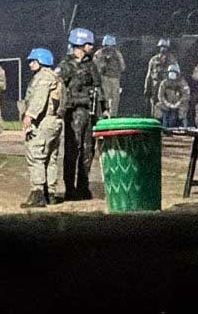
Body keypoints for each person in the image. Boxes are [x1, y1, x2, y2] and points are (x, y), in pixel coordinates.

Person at [56, 27, 103, 201]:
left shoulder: (91, 65)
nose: (92, 46)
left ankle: (83, 187)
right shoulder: (66, 65)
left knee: (88, 151)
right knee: (72, 151)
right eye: (89, 43)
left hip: (89, 113)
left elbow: (99, 88)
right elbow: (59, 88)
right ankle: (70, 189)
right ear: (81, 44)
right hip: (73, 112)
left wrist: (103, 108)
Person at [20, 48, 61, 208]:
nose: (30, 64)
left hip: (44, 121)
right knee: (51, 159)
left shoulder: (43, 77)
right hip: (56, 121)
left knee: (36, 155)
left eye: (33, 61)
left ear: (41, 61)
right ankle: (50, 193)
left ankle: (37, 194)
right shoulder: (55, 77)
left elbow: (39, 98)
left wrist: (30, 115)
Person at [144, 38, 178, 121]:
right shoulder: (153, 60)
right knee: (154, 104)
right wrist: (146, 87)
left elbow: (177, 73)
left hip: (167, 86)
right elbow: (149, 74)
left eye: (165, 47)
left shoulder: (172, 60)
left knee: (167, 105)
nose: (163, 49)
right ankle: (154, 120)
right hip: (155, 85)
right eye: (161, 47)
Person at [94, 35, 126, 118]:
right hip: (105, 78)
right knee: (106, 98)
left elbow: (122, 67)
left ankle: (110, 115)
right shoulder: (100, 53)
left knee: (113, 98)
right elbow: (96, 67)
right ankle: (106, 115)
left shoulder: (116, 53)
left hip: (113, 78)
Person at [156, 64, 190, 129]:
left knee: (183, 111)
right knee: (158, 107)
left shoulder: (182, 83)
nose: (172, 74)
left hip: (179, 103)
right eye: (170, 72)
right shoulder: (164, 83)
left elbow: (186, 95)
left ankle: (184, 127)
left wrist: (179, 103)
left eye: (174, 72)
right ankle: (161, 126)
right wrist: (168, 104)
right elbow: (160, 96)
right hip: (167, 103)